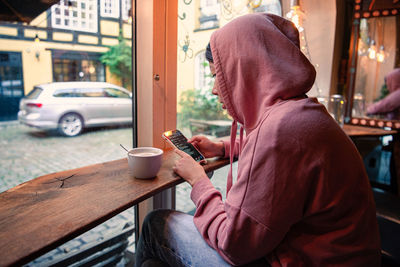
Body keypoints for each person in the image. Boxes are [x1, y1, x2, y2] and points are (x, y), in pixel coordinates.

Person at [135, 13, 381, 266]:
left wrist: (198, 180)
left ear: (245, 69)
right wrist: (222, 147)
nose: (214, 89)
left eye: (217, 76)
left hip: (304, 260)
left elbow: (234, 244)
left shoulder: (281, 130)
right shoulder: (302, 113)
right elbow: (286, 153)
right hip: (343, 255)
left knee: (156, 224)